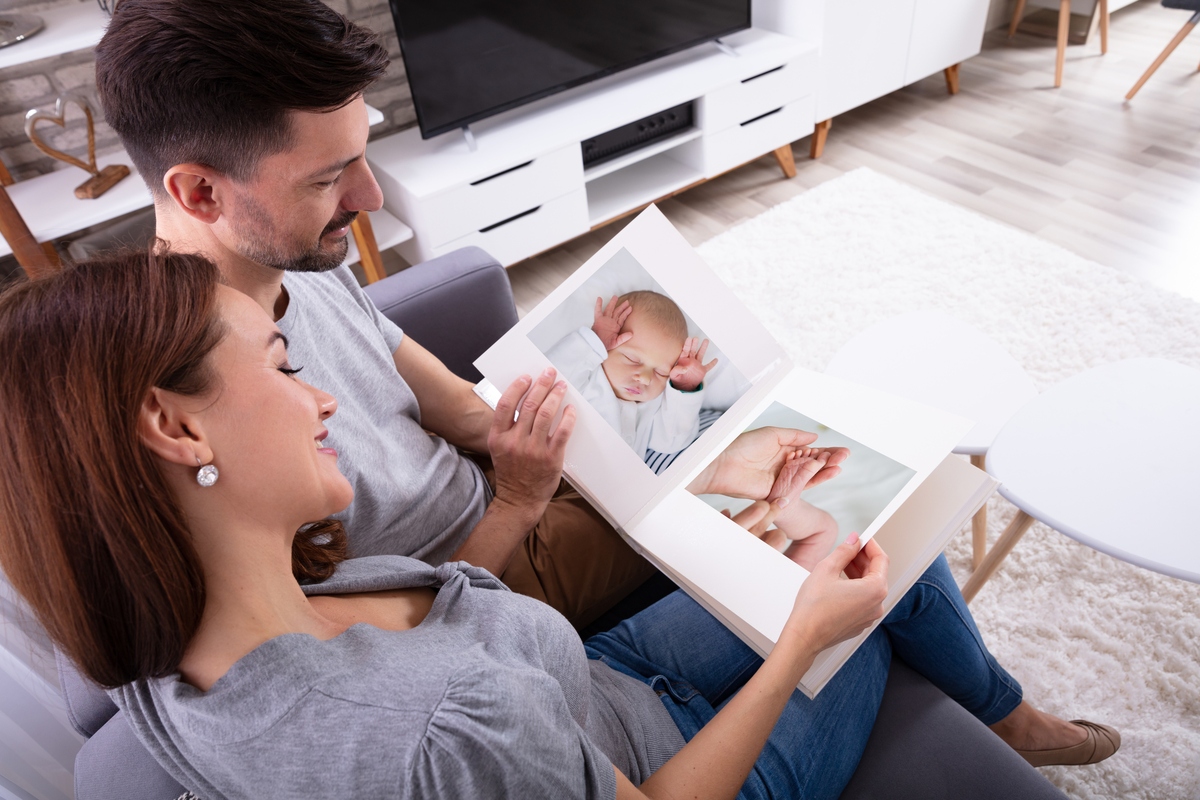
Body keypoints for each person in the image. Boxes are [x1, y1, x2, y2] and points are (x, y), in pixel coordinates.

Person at [0, 252, 1116, 800]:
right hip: (655, 751)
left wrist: (524, 504)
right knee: (883, 562)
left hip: (591, 676)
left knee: (846, 523)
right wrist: (798, 643)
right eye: (284, 368)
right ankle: (1009, 718)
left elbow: (452, 630)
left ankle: (1004, 707)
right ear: (172, 424)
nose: (323, 397)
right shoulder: (439, 730)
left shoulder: (194, 640)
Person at [95, 0, 828, 629]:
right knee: (824, 536)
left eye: (361, 155)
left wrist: (581, 420)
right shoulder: (195, 406)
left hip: (507, 489)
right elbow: (361, 636)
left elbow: (467, 414)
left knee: (725, 434)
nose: (371, 198)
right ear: (198, 194)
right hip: (486, 575)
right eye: (327, 178)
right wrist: (525, 497)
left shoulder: (298, 262)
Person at [546, 293, 717, 460]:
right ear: (606, 346)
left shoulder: (652, 406)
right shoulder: (586, 377)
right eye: (632, 359)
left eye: (661, 372)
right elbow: (552, 374)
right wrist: (594, 341)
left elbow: (671, 442)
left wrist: (684, 389)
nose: (645, 378)